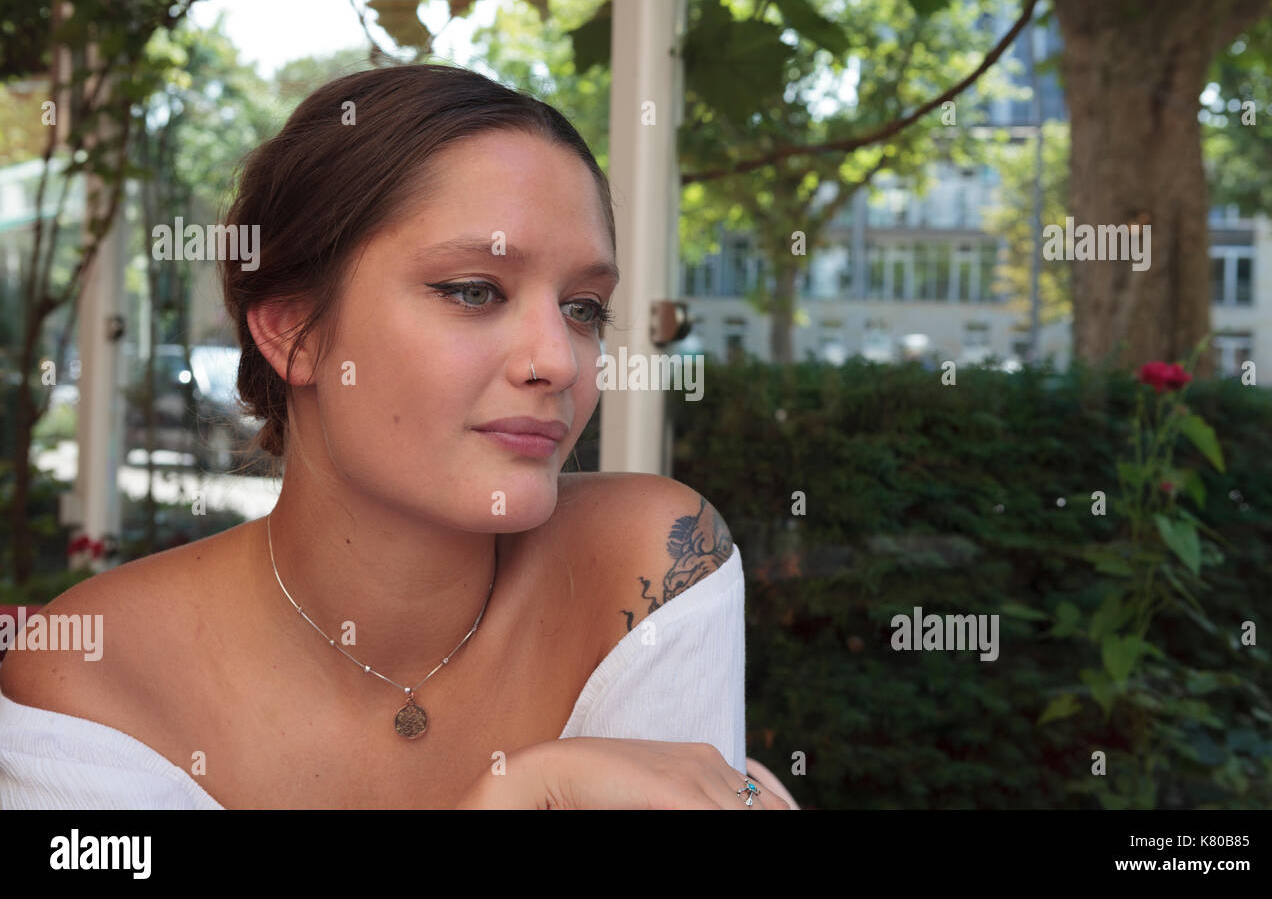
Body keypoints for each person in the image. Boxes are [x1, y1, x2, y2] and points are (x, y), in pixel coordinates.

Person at [0, 63, 794, 810]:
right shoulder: (92, 674)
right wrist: (522, 791)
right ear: (293, 331)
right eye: (474, 291)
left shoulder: (650, 564)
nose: (559, 360)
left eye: (583, 307)